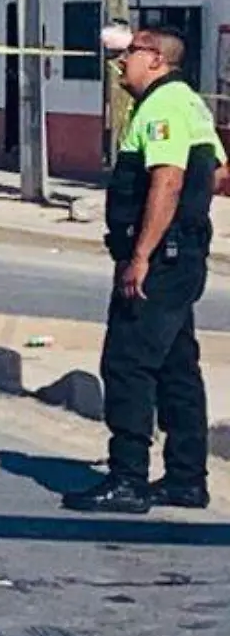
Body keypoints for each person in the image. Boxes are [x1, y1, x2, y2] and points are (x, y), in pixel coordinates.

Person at [63, 26, 226, 514]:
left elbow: (168, 181)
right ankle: (184, 478)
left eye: (129, 54)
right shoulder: (191, 104)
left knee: (128, 363)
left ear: (155, 59)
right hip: (182, 255)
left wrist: (141, 256)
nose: (120, 64)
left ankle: (128, 478)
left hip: (161, 258)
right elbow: (218, 172)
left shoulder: (163, 105)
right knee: (177, 367)